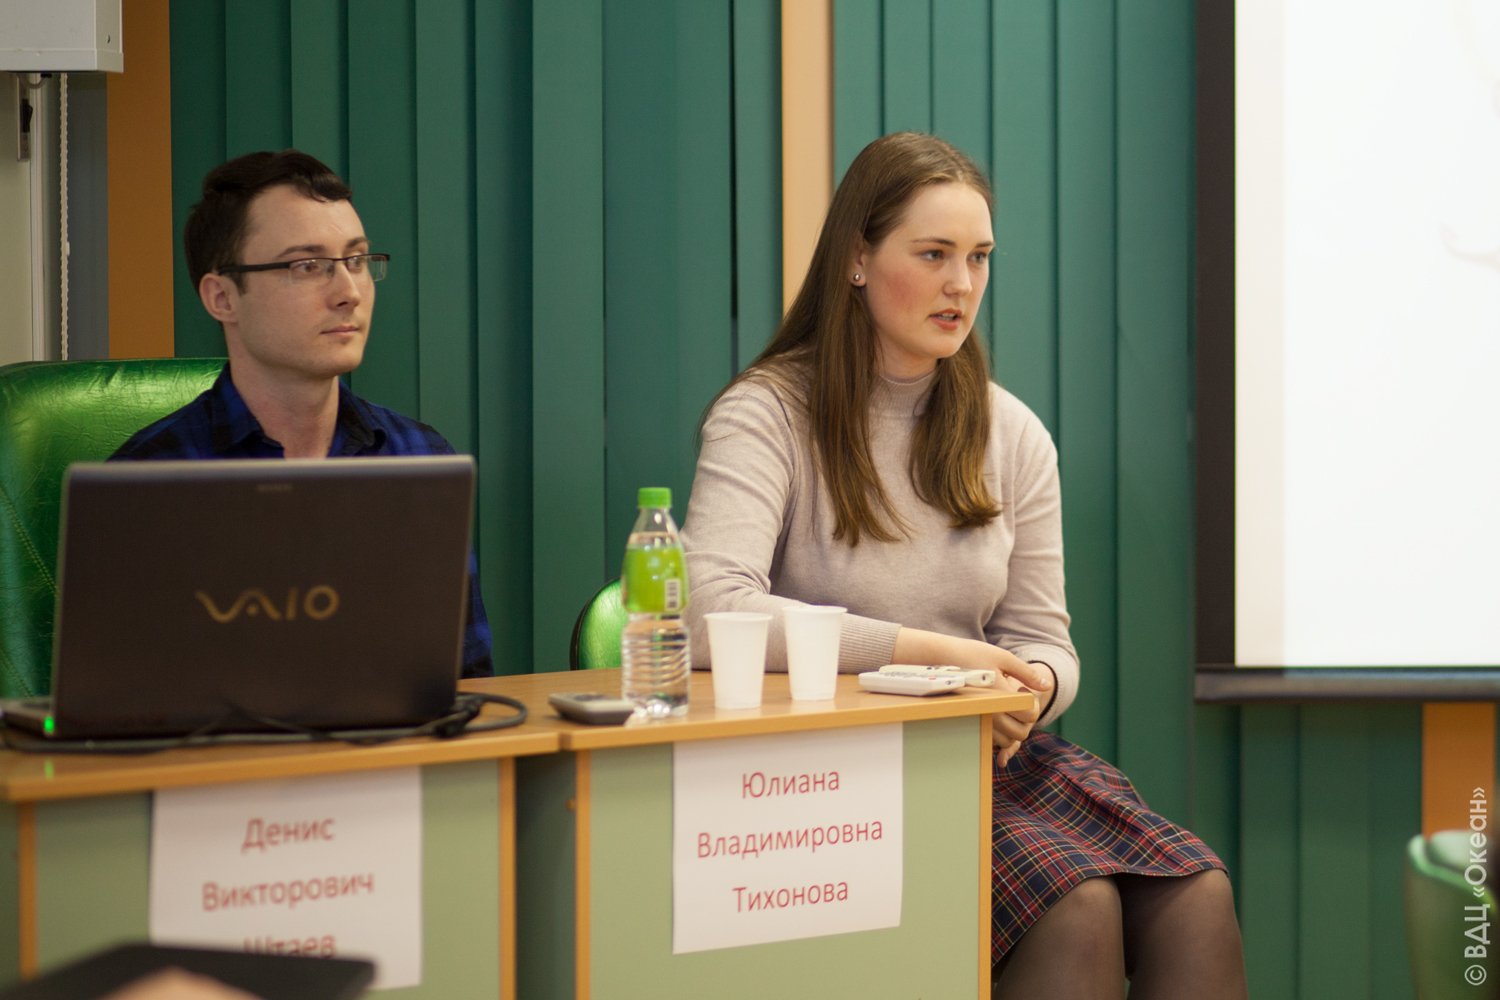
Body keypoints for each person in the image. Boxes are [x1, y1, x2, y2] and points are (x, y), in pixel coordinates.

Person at [681, 132, 1247, 998]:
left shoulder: (1010, 431)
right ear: (857, 259)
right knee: (1079, 907)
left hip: (986, 758)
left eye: (978, 257)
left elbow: (1046, 646)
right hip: (827, 772)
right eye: (934, 254)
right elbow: (708, 610)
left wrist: (1025, 692)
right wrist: (941, 659)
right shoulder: (767, 413)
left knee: (1198, 896)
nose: (962, 284)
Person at [111, 149, 492, 677]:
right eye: (307, 266)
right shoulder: (145, 484)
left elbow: (466, 684)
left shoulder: (419, 459)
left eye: (357, 260)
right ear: (222, 298)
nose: (349, 293)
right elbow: (118, 700)